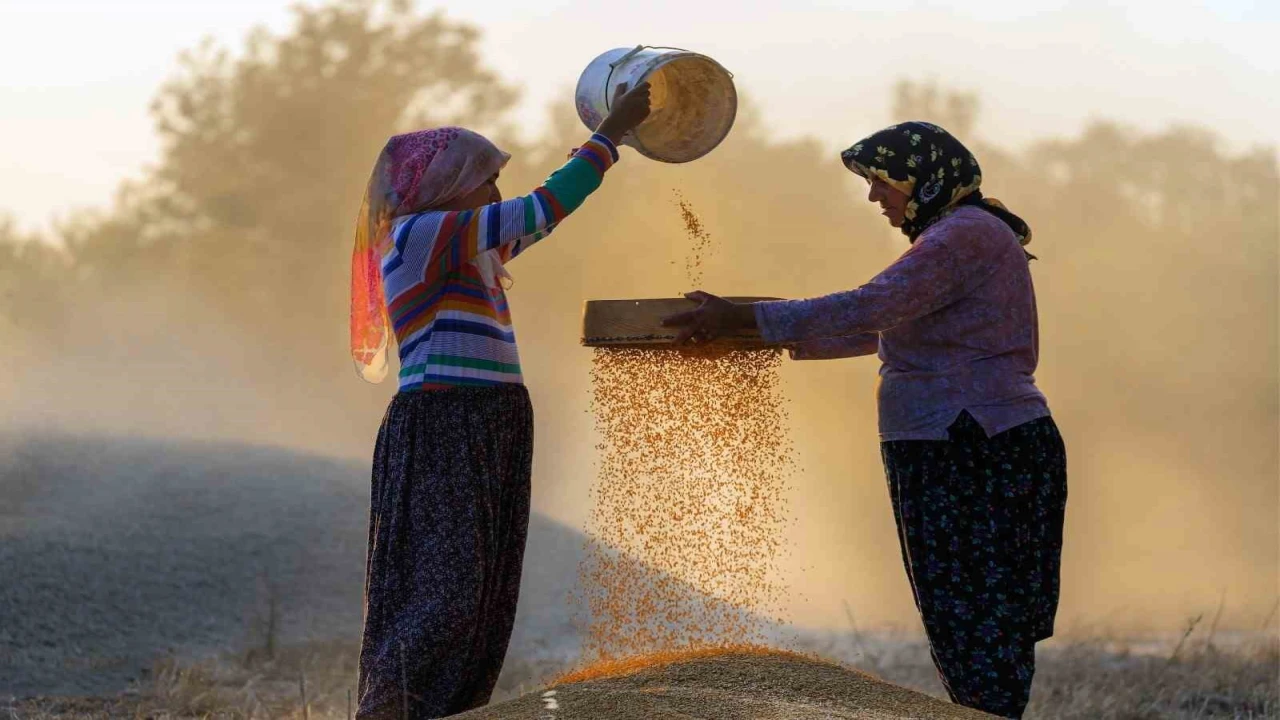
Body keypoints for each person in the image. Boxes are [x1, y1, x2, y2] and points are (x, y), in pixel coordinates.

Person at [662, 121, 1068, 719]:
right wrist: (749, 333)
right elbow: (882, 328)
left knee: (975, 616)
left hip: (970, 439)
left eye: (882, 181)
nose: (875, 196)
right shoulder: (959, 236)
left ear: (923, 178)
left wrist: (746, 318)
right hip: (962, 439)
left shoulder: (962, 237)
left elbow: (869, 305)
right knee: (968, 617)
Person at [348, 82, 651, 719]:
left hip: (492, 424)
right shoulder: (420, 235)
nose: (494, 193)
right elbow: (540, 207)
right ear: (442, 185)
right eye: (484, 180)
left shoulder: (470, 247)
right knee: (443, 595)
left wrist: (608, 143)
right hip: (445, 422)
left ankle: (453, 709)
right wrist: (608, 139)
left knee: (484, 594)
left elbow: (542, 214)